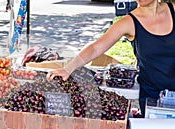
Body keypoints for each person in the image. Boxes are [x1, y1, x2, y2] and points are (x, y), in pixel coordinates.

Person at [47, 0, 175, 117]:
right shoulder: (128, 22)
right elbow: (96, 48)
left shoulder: (173, 9)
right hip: (152, 98)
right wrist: (68, 68)